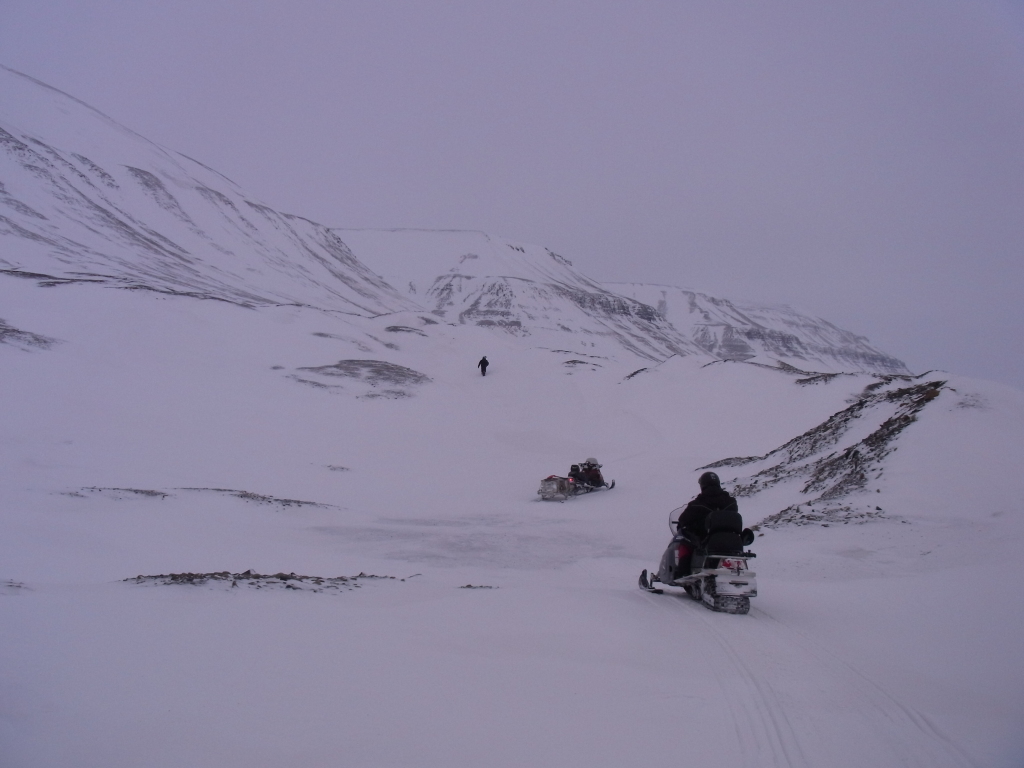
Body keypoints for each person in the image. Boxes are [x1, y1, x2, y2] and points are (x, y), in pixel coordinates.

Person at [672, 472, 742, 575]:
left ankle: (683, 573)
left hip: (706, 541)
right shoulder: (731, 502)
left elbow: (683, 520)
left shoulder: (697, 504)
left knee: (684, 542)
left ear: (702, 485)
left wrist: (687, 527)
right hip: (732, 542)